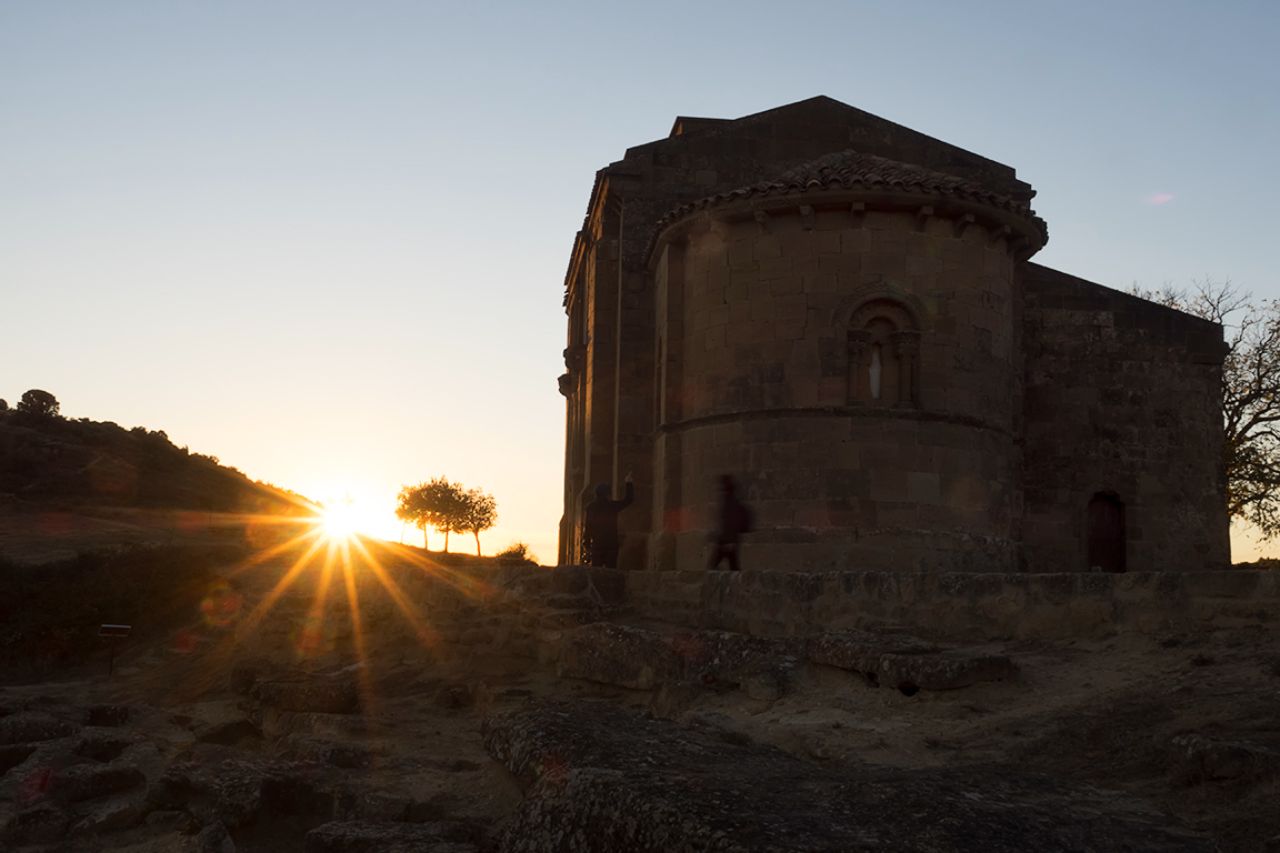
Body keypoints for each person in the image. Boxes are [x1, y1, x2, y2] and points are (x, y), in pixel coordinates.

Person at [582, 472, 634, 568]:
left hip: (597, 545)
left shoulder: (591, 507)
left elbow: (588, 527)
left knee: (596, 573)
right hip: (611, 545)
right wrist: (629, 483)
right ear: (607, 494)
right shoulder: (612, 506)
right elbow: (628, 500)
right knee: (611, 573)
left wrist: (587, 544)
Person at [707, 474, 753, 572]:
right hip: (728, 539)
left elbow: (731, 522)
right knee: (734, 567)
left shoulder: (729, 502)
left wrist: (730, 540)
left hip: (726, 540)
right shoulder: (730, 500)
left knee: (714, 567)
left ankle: (725, 583)